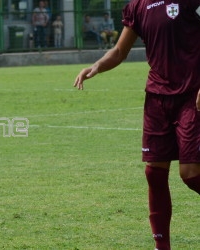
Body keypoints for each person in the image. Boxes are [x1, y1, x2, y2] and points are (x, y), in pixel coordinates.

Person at [73, 1, 200, 250]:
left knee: (191, 174)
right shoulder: (137, 7)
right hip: (156, 99)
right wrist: (97, 65)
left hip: (191, 96)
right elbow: (120, 51)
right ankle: (161, 246)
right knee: (154, 173)